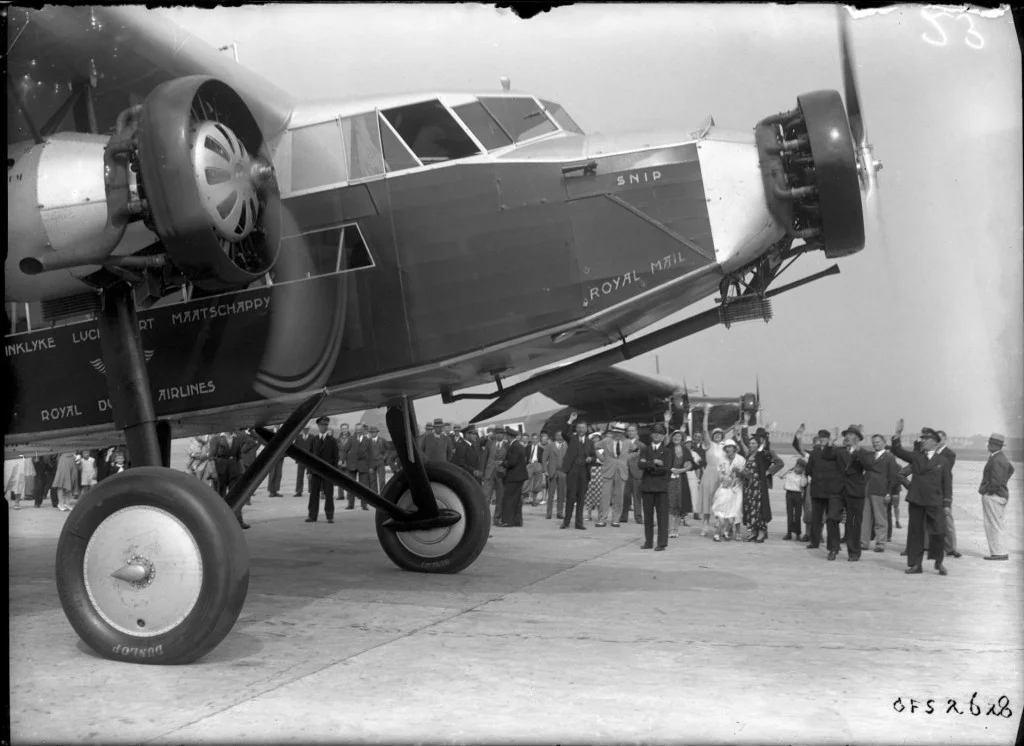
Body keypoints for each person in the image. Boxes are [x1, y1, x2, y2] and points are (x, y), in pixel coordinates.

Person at [890, 421, 949, 576]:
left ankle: (938, 562)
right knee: (915, 533)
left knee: (938, 532)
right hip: (917, 500)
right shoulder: (916, 456)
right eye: (922, 439)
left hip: (935, 501)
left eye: (926, 439)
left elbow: (947, 483)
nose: (922, 441)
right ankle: (916, 564)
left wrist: (947, 503)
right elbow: (898, 451)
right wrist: (898, 434)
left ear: (935, 442)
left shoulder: (943, 461)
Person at [794, 425, 841, 550]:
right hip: (817, 490)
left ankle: (831, 542)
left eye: (824, 439)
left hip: (830, 491)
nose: (822, 441)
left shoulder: (833, 451)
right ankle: (815, 540)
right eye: (821, 439)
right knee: (816, 517)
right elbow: (809, 468)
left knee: (831, 518)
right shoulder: (815, 452)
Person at [741, 428, 783, 543]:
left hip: (759, 485)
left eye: (760, 438)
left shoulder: (766, 452)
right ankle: (753, 532)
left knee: (760, 509)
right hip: (749, 486)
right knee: (750, 509)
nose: (752, 443)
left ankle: (761, 532)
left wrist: (768, 472)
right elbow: (745, 440)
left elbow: (779, 463)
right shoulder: (749, 453)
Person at [978, 432, 1014, 561]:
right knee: (996, 523)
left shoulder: (997, 459)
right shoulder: (1000, 457)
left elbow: (997, 480)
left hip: (994, 496)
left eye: (990, 443)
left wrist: (990, 490)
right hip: (1000, 495)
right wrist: (1003, 483)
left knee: (993, 524)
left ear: (995, 445)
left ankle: (999, 553)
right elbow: (1011, 469)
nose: (988, 445)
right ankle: (999, 551)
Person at [638, 423, 673, 551]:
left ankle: (662, 543)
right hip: (647, 486)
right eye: (655, 432)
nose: (657, 435)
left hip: (661, 487)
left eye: (660, 433)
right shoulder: (645, 449)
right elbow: (640, 465)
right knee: (648, 516)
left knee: (662, 516)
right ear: (651, 434)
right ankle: (648, 541)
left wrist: (648, 465)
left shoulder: (668, 451)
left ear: (663, 436)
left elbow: (666, 468)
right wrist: (654, 463)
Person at [862, 434, 900, 553]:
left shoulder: (889, 458)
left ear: (884, 443)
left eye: (877, 442)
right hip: (867, 490)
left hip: (880, 491)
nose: (875, 444)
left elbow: (892, 477)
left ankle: (881, 543)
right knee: (865, 518)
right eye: (873, 442)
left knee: (880, 519)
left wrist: (889, 492)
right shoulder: (870, 456)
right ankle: (863, 542)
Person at [560, 417, 598, 531]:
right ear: (576, 429)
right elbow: (563, 433)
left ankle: (579, 523)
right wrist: (570, 421)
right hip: (573, 471)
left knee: (581, 498)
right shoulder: (572, 438)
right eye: (579, 428)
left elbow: (594, 457)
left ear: (586, 429)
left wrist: (591, 459)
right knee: (571, 497)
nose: (581, 429)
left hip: (584, 472)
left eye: (583, 428)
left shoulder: (590, 442)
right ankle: (566, 522)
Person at [697, 407, 726, 537]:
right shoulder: (709, 445)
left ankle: (720, 525)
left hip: (721, 475)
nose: (718, 435)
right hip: (709, 473)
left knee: (720, 500)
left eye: (720, 434)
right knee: (707, 501)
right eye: (716, 434)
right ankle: (705, 526)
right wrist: (706, 414)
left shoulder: (726, 446)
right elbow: (704, 430)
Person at [210, 432, 249, 529]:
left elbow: (239, 456)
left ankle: (238, 521)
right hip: (221, 467)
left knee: (236, 494)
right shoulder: (217, 438)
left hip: (234, 468)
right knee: (220, 494)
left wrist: (242, 470)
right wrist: (213, 471)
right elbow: (211, 457)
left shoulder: (236, 438)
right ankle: (219, 521)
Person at [711, 439, 746, 541]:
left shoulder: (741, 459)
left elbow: (744, 475)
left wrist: (738, 472)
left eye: (730, 447)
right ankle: (726, 531)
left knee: (737, 509)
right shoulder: (722, 459)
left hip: (737, 487)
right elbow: (720, 474)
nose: (728, 449)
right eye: (726, 447)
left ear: (735, 448)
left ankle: (738, 532)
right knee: (724, 508)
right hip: (725, 488)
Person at [307, 416, 339, 523]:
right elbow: (309, 457)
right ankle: (312, 516)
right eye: (321, 425)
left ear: (327, 426)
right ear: (318, 426)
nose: (323, 427)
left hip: (328, 472)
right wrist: (309, 471)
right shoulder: (314, 440)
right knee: (313, 494)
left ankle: (330, 516)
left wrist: (334, 473)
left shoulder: (332, 441)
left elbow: (335, 458)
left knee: (329, 494)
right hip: (315, 471)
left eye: (325, 425)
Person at [596, 424, 629, 528]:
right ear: (613, 432)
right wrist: (601, 457)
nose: (618, 434)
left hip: (621, 471)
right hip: (608, 470)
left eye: (620, 433)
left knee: (618, 497)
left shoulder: (628, 443)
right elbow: (593, 447)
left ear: (623, 433)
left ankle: (616, 519)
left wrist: (626, 459)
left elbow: (638, 451)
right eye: (616, 432)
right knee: (605, 496)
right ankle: (602, 519)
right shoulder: (606, 441)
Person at [935, 430, 961, 559]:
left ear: (945, 439)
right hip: (931, 491)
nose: (937, 442)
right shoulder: (931, 453)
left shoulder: (949, 454)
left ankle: (951, 548)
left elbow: (943, 471)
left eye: (939, 439)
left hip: (943, 490)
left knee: (947, 519)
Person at [666, 430, 695, 538]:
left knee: (679, 505)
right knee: (669, 504)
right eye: (674, 436)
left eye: (678, 436)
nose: (676, 438)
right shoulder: (667, 449)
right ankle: (669, 529)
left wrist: (681, 470)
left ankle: (675, 529)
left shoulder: (685, 450)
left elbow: (690, 464)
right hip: (669, 479)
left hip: (681, 479)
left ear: (682, 438)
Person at [500, 428, 528, 527]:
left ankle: (507, 521)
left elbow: (512, 462)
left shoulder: (514, 446)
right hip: (519, 476)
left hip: (514, 476)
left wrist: (503, 463)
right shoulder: (519, 445)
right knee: (516, 500)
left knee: (509, 499)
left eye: (506, 435)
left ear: (509, 436)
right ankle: (517, 520)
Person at [778, 459, 809, 540]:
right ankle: (789, 533)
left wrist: (803, 474)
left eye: (800, 467)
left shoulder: (803, 475)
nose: (798, 468)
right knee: (790, 515)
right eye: (797, 466)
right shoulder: (790, 473)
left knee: (797, 515)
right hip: (789, 494)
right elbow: (780, 476)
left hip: (798, 495)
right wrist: (788, 470)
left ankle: (798, 533)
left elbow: (803, 484)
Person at [621, 424, 645, 524]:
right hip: (625, 472)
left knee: (637, 496)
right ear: (627, 432)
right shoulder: (622, 443)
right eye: (629, 431)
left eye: (633, 431)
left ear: (636, 432)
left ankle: (638, 517)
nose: (631, 432)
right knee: (625, 495)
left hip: (637, 473)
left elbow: (644, 460)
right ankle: (623, 516)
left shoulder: (641, 445)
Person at [544, 429, 567, 520]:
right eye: (558, 435)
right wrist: (545, 470)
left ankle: (560, 513)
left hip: (563, 472)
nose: (560, 437)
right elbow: (544, 459)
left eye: (561, 435)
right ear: (555, 436)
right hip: (552, 471)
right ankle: (549, 513)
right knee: (551, 493)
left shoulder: (567, 445)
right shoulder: (550, 445)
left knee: (561, 494)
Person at [584, 432, 604, 522]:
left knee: (599, 493)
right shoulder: (587, 449)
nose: (596, 440)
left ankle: (600, 515)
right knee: (588, 493)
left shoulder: (603, 450)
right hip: (589, 470)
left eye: (597, 439)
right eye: (594, 439)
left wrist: (595, 451)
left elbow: (603, 460)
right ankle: (588, 514)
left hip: (599, 471)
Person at [352, 424, 372, 510]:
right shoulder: (351, 439)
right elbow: (345, 449)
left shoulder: (367, 440)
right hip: (352, 465)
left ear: (363, 430)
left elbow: (371, 454)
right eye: (357, 429)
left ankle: (364, 504)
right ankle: (350, 504)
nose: (359, 431)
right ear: (355, 430)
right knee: (351, 485)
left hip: (363, 466)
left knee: (364, 486)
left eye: (360, 429)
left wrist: (371, 467)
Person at [525, 433, 546, 506]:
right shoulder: (527, 448)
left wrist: (543, 469)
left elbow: (543, 460)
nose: (534, 440)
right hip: (529, 464)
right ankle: (525, 498)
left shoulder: (541, 449)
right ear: (531, 439)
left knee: (537, 483)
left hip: (538, 464)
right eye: (533, 439)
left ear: (538, 440)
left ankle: (534, 500)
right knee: (526, 482)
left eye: (536, 439)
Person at [293, 425, 314, 497]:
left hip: (309, 460)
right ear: (302, 429)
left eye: (307, 429)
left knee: (310, 476)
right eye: (304, 429)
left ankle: (311, 491)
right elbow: (295, 448)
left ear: (309, 429)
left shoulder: (312, 437)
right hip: (301, 460)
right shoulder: (298, 437)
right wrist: (296, 459)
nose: (305, 430)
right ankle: (299, 491)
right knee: (299, 475)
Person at [368, 426, 389, 494]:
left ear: (377, 432)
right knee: (372, 480)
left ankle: (383, 494)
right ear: (370, 433)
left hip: (380, 461)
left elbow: (388, 449)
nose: (373, 433)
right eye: (372, 432)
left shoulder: (382, 440)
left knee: (382, 480)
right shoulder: (368, 441)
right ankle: (375, 494)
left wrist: (384, 457)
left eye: (375, 432)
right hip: (371, 462)